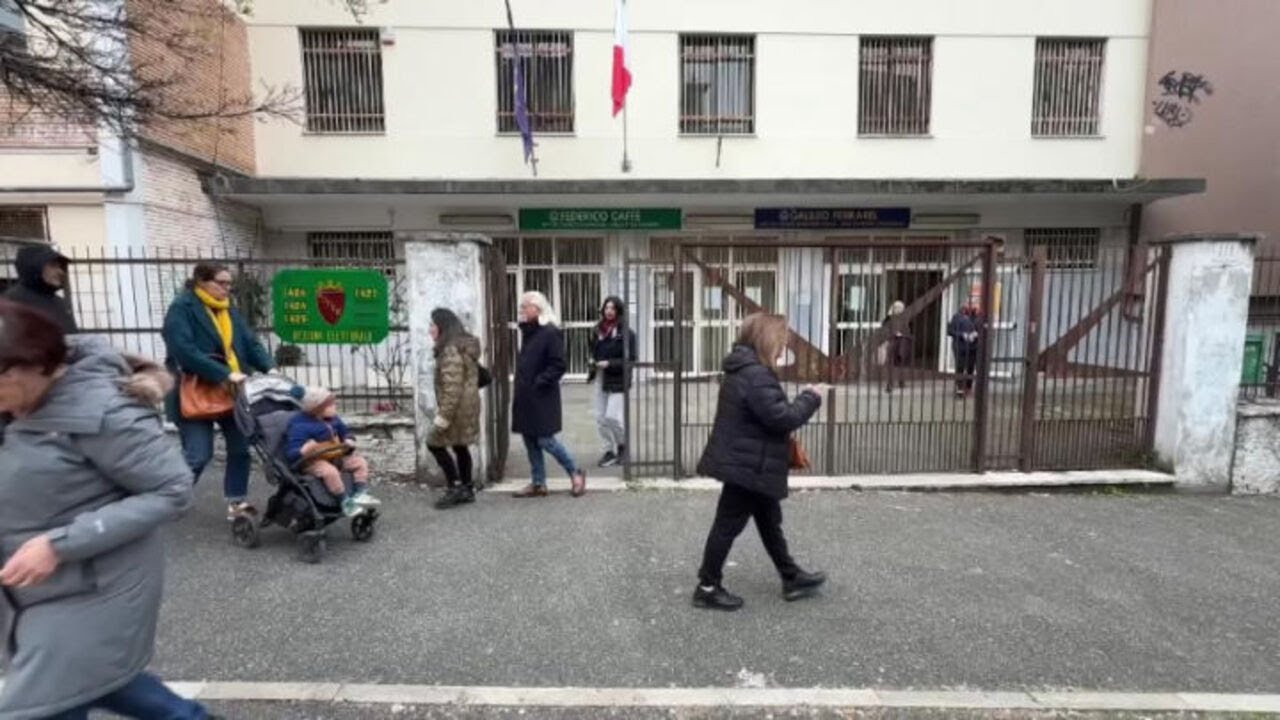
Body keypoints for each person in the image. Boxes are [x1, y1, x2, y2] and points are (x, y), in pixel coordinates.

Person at [0, 300, 214, 719]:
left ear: (35, 365)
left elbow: (172, 488)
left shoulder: (106, 412)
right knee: (103, 680)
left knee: (46, 699)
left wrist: (59, 544)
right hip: (35, 593)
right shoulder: (17, 409)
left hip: (90, 586)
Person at [692, 313, 828, 611]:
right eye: (781, 342)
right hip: (748, 466)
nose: (783, 349)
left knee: (769, 522)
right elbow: (782, 418)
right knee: (727, 526)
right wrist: (811, 396)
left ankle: (791, 577)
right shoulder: (755, 375)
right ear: (767, 340)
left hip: (751, 462)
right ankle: (707, 586)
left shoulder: (745, 370)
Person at [162, 263, 274, 521]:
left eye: (229, 283)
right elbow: (183, 350)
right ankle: (166, 499)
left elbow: (248, 342)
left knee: (240, 449)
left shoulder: (228, 309)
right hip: (196, 391)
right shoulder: (182, 308)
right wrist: (223, 373)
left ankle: (237, 503)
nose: (227, 288)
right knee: (199, 455)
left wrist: (270, 369)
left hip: (232, 391)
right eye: (221, 283)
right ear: (201, 281)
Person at [511, 290, 587, 498]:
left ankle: (575, 472)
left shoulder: (550, 332)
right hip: (526, 396)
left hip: (541, 395)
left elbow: (558, 364)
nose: (522, 311)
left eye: (525, 306)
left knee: (546, 440)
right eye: (522, 307)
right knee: (530, 439)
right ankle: (538, 483)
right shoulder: (529, 331)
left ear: (537, 308)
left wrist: (539, 382)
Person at [285, 386, 381, 518]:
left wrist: (349, 439)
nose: (335, 406)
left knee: (360, 462)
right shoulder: (300, 426)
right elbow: (291, 453)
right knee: (330, 472)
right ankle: (344, 501)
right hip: (312, 461)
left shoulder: (334, 419)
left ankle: (360, 493)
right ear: (317, 408)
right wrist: (304, 450)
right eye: (331, 405)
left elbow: (345, 431)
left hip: (335, 455)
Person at [428, 308, 484, 509]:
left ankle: (456, 487)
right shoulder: (460, 345)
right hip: (466, 406)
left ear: (442, 327)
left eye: (432, 325)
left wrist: (443, 416)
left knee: (433, 442)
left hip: (457, 408)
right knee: (460, 445)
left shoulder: (451, 350)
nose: (430, 329)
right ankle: (467, 488)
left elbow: (452, 388)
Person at [587, 296, 636, 467]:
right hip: (600, 377)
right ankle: (609, 450)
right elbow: (593, 352)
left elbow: (631, 360)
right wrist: (593, 361)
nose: (609, 311)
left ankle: (623, 447)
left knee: (612, 417)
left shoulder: (627, 333)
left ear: (619, 311)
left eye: (613, 308)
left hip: (618, 379)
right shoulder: (597, 331)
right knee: (600, 418)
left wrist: (609, 363)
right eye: (606, 308)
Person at [5, 244, 76, 333]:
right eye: (53, 265)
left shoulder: (58, 302)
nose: (60, 271)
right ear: (34, 267)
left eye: (60, 266)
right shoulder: (11, 303)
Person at [948, 303, 981, 398]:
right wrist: (962, 335)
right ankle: (960, 388)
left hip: (973, 347)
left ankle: (968, 387)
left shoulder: (977, 317)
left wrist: (976, 334)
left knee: (970, 368)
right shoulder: (956, 317)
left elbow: (981, 329)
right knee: (960, 367)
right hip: (960, 346)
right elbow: (950, 331)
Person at [881, 300, 912, 393]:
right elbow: (885, 328)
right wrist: (894, 333)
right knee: (891, 363)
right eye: (897, 308)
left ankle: (901, 382)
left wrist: (903, 334)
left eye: (901, 308)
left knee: (901, 362)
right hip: (892, 341)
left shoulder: (904, 318)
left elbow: (907, 330)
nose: (899, 309)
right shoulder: (889, 318)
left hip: (902, 342)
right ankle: (889, 384)